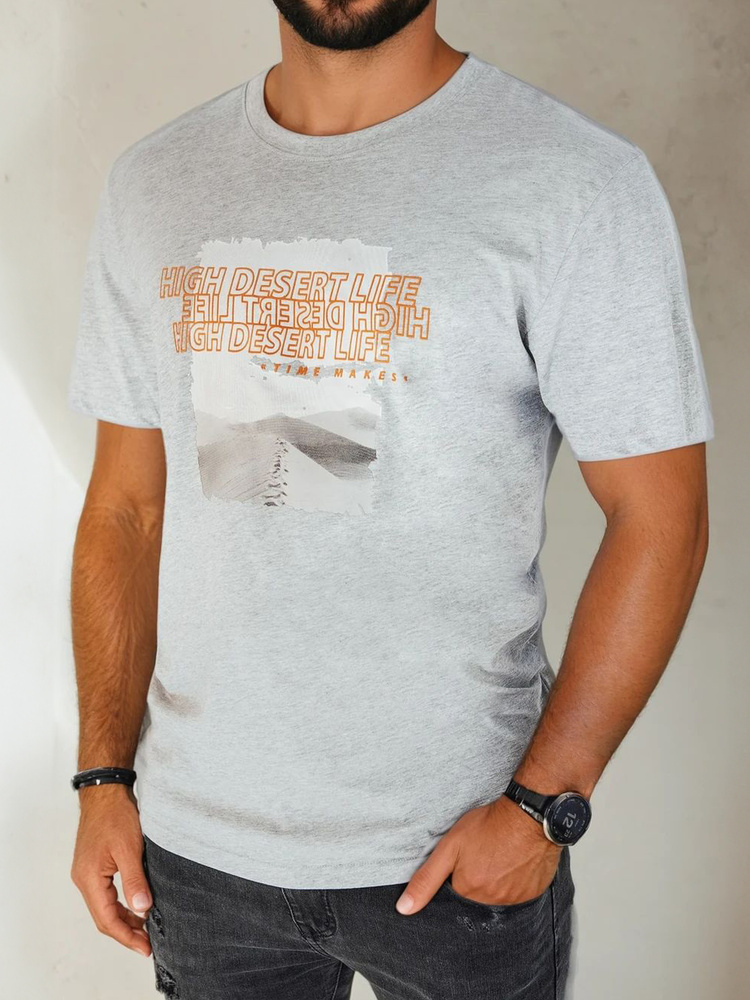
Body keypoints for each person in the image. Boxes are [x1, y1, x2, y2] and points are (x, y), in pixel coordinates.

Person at [66, 1, 713, 997]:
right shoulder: (155, 182)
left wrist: (543, 806)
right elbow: (124, 510)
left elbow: (662, 516)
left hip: (457, 853)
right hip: (198, 853)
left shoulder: (574, 180)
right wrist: (103, 778)